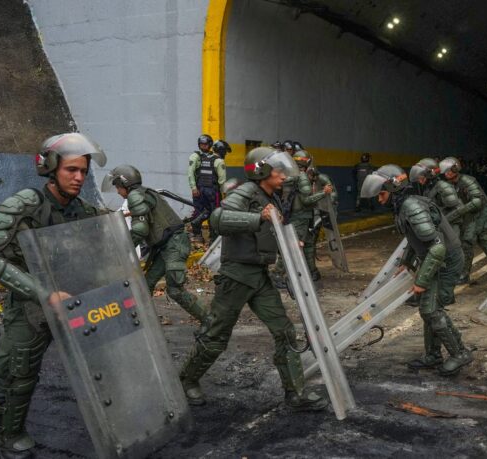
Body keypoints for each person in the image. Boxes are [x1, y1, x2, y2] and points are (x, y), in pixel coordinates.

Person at [0, 133, 107, 458]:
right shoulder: (24, 207)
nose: (79, 178)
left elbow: (104, 247)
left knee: (106, 360)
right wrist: (45, 294)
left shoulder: (85, 210)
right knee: (18, 373)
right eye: (71, 170)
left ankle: (116, 423)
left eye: (83, 171)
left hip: (76, 300)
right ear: (50, 168)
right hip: (31, 306)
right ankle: (7, 434)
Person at [179, 147, 328, 411]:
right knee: (216, 334)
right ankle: (187, 380)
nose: (283, 175)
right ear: (261, 171)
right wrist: (258, 217)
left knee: (284, 331)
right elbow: (219, 218)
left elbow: (270, 233)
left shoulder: (272, 196)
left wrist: (290, 244)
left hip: (259, 275)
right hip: (236, 275)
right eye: (278, 170)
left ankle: (295, 393)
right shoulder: (247, 193)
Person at [360, 165, 473, 375]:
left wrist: (421, 281)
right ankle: (433, 356)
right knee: (427, 308)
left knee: (431, 309)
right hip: (436, 258)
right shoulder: (403, 205)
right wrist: (406, 262)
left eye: (381, 193)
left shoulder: (411, 207)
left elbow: (437, 247)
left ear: (392, 188)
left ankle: (460, 353)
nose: (378, 198)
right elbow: (414, 239)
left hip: (446, 260)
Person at [102, 165, 205, 322]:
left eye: (117, 187)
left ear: (124, 184)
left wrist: (121, 248)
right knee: (146, 285)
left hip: (173, 245)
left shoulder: (135, 196)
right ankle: (141, 323)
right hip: (168, 245)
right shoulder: (145, 193)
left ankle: (210, 322)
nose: (117, 191)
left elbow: (140, 230)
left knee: (175, 290)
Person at [438, 156, 487, 284]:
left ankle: (464, 274)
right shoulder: (451, 183)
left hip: (481, 210)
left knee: (467, 240)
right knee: (482, 238)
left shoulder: (467, 181)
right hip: (470, 212)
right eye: (445, 171)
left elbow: (478, 202)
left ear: (455, 169)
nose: (446, 173)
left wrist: (459, 212)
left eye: (448, 170)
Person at [275, 150, 333, 281]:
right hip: (300, 217)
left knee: (308, 244)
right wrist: (324, 193)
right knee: (293, 246)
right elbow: (306, 200)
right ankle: (277, 274)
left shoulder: (290, 174)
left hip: (297, 216)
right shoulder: (302, 177)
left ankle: (312, 271)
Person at [188, 134, 220, 243]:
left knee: (212, 213)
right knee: (198, 212)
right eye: (201, 144)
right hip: (199, 190)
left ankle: (212, 237)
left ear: (210, 144)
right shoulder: (195, 156)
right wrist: (193, 188)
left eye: (205, 144)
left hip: (211, 190)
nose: (203, 146)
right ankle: (197, 235)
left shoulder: (214, 157)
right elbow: (190, 173)